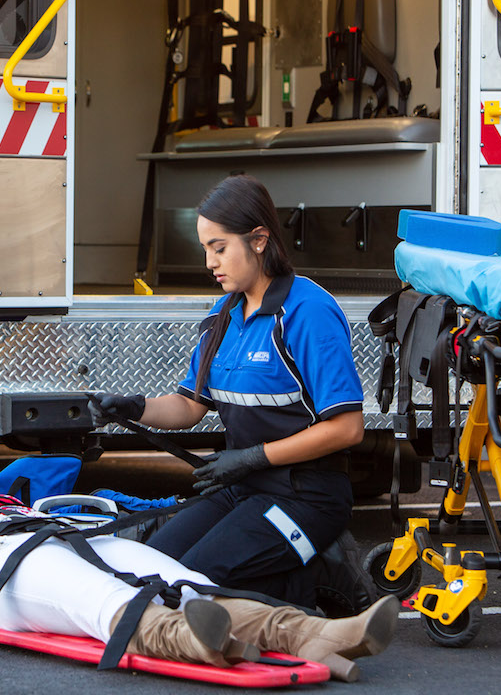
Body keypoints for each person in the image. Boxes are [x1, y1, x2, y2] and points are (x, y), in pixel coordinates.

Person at [90, 174, 365, 608]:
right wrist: (133, 407)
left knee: (192, 585)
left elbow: (348, 429)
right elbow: (188, 406)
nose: (209, 263)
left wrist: (253, 457)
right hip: (243, 488)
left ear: (259, 240)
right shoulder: (225, 310)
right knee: (149, 569)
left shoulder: (308, 312)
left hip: (305, 497)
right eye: (205, 250)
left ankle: (325, 578)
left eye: (219, 248)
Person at [0, 495, 398, 682]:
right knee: (100, 601)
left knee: (182, 580)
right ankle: (199, 642)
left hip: (52, 533)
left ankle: (319, 634)